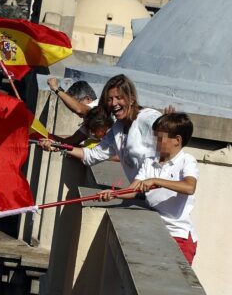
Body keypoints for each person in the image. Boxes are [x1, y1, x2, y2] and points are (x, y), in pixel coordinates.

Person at [98, 113, 198, 265]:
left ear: (177, 140)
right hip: (156, 230)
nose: (155, 142)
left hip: (180, 237)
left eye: (160, 138)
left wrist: (155, 180)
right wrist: (114, 194)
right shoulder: (149, 161)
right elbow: (133, 190)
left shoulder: (187, 161)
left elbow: (190, 187)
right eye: (155, 136)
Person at [41, 74, 162, 182]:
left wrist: (57, 89)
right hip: (147, 198)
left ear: (131, 99)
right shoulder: (117, 129)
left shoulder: (149, 119)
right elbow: (90, 155)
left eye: (119, 98)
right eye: (110, 99)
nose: (114, 103)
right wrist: (59, 146)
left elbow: (174, 152)